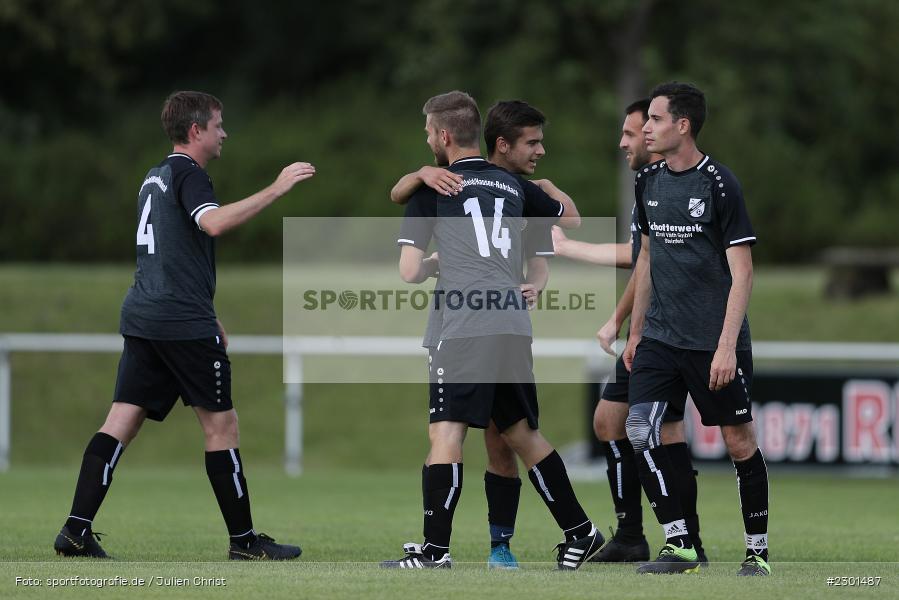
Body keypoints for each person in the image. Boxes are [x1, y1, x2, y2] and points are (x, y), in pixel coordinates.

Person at [53, 91, 315, 560]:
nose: (224, 133)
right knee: (222, 427)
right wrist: (276, 188)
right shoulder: (190, 175)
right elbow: (211, 225)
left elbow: (172, 252)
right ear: (195, 131)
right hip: (179, 322)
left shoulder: (154, 177)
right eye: (218, 125)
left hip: (145, 315)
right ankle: (244, 542)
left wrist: (208, 311)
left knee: (121, 421)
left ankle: (75, 530)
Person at [382, 90, 603, 570]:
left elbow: (408, 271)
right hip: (511, 323)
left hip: (463, 324)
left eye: (427, 133)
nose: (426, 142)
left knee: (446, 433)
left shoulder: (433, 189)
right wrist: (543, 187)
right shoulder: (514, 186)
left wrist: (434, 262)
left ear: (443, 136)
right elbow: (572, 218)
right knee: (523, 433)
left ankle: (435, 552)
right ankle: (581, 533)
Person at [622, 82, 769, 576]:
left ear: (682, 126)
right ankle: (680, 545)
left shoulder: (719, 184)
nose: (646, 128)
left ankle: (757, 552)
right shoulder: (646, 181)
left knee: (738, 442)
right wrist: (636, 331)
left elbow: (743, 272)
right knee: (643, 429)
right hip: (661, 337)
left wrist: (727, 347)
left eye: (656, 119)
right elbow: (647, 258)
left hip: (712, 342)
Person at [551, 99, 707, 564]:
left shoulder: (683, 185)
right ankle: (633, 535)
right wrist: (619, 321)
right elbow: (643, 260)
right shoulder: (648, 183)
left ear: (656, 133)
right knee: (609, 420)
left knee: (667, 431)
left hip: (677, 332)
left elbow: (644, 259)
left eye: (631, 132)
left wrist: (571, 248)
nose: (623, 142)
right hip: (651, 329)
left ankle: (685, 542)